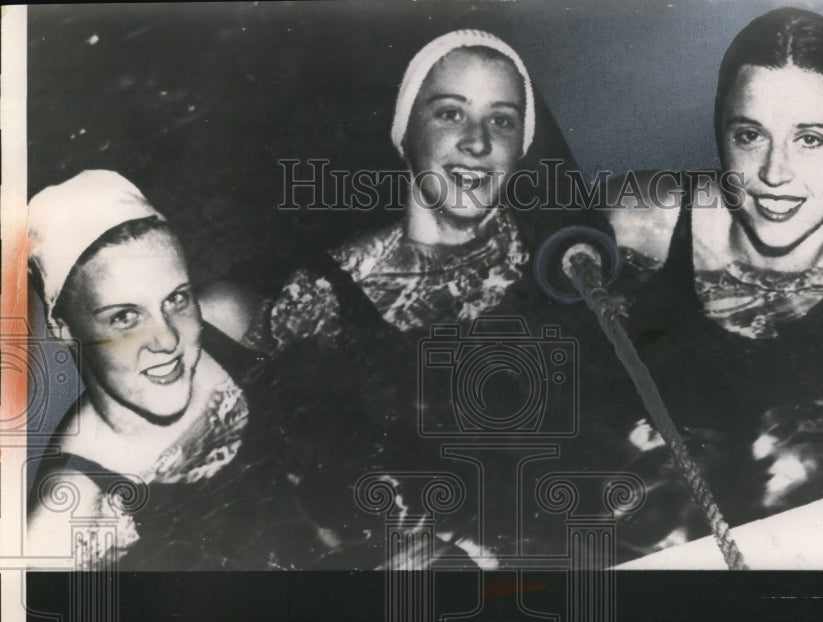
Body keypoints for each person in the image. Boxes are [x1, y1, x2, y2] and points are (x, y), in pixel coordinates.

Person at [604, 7, 823, 551]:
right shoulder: (640, 221)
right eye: (751, 135)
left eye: (810, 139)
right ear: (719, 132)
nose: (775, 174)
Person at [239, 28, 606, 352]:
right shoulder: (325, 292)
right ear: (406, 134)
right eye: (450, 114)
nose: (478, 143)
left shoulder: (555, 246)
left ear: (520, 148)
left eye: (501, 120)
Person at [25, 170, 256, 568]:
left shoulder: (228, 321)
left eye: (176, 299)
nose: (166, 339)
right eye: (125, 317)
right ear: (65, 329)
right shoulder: (67, 522)